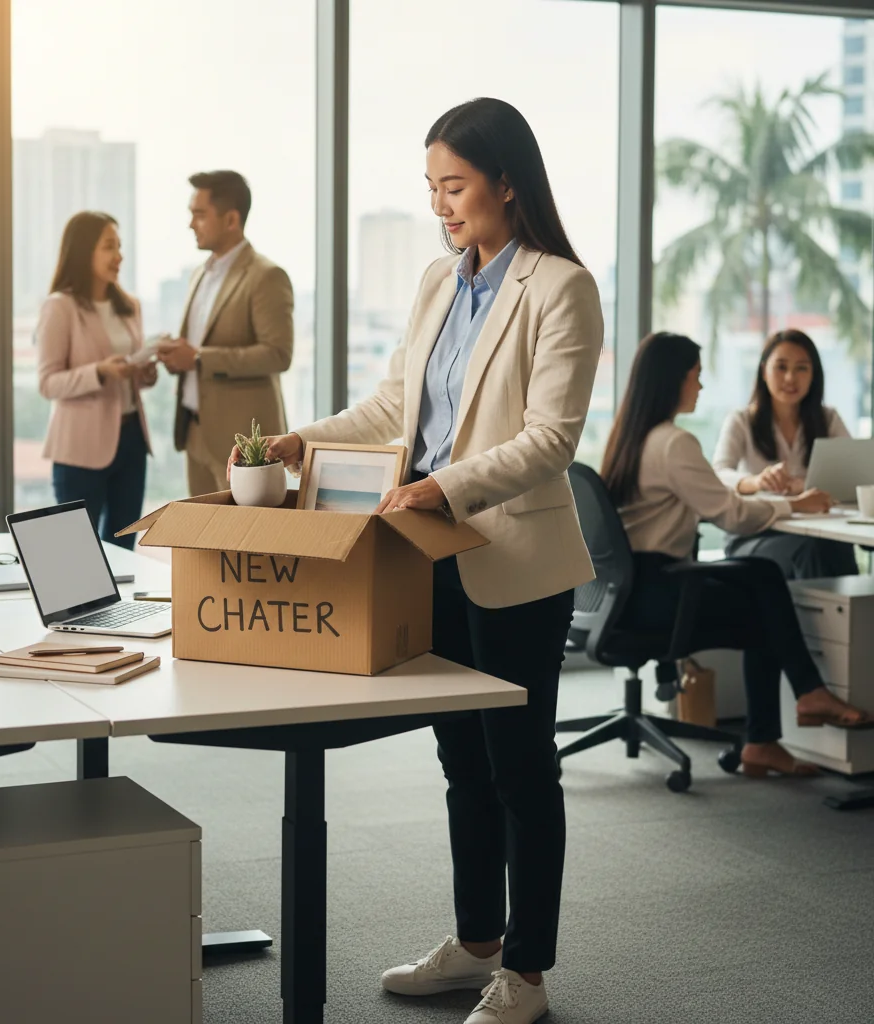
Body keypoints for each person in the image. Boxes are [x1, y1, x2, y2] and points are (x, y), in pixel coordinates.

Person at [230, 98, 603, 1024]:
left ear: (507, 182)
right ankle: (477, 941)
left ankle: (528, 971)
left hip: (514, 557)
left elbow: (551, 439)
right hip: (429, 554)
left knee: (521, 769)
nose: (442, 205)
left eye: (455, 186)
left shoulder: (561, 287)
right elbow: (396, 407)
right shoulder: (442, 282)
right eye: (431, 188)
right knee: (461, 763)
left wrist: (444, 488)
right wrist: (299, 442)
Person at [600, 332, 872, 779]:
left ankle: (792, 713)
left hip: (633, 587)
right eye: (697, 377)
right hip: (659, 590)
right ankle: (782, 722)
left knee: (763, 575)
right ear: (674, 381)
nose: (701, 387)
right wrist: (793, 504)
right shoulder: (673, 443)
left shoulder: (631, 437)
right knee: (767, 605)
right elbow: (730, 514)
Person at [157, 170, 293, 496]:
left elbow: (278, 353)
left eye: (199, 215)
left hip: (242, 440)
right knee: (203, 541)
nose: (191, 224)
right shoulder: (198, 275)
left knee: (249, 541)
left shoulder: (266, 276)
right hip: (194, 431)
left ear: (231, 219)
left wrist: (200, 358)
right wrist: (178, 356)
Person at [36, 211, 156, 550]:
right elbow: (48, 383)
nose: (119, 256)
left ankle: (121, 608)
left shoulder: (129, 305)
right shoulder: (60, 307)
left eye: (119, 247)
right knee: (76, 553)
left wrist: (144, 373)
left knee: (123, 548)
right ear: (83, 251)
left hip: (131, 439)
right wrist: (99, 372)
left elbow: (132, 377)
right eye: (109, 247)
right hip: (80, 448)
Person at [713, 328, 857, 578]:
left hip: (818, 531)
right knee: (812, 550)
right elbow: (717, 474)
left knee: (837, 548)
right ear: (763, 370)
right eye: (781, 367)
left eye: (802, 368)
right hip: (756, 534)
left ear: (814, 375)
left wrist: (806, 485)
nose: (791, 378)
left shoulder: (828, 419)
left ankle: (851, 617)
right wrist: (754, 482)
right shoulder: (742, 420)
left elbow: (853, 475)